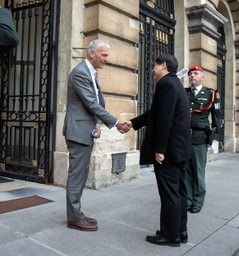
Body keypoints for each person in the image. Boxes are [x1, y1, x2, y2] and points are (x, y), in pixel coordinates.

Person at [62, 39, 129, 231]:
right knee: (77, 176)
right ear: (91, 53)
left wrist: (97, 123)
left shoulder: (90, 72)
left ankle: (76, 212)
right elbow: (92, 103)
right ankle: (74, 218)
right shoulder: (80, 73)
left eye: (107, 55)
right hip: (77, 133)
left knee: (81, 175)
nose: (106, 59)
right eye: (104, 54)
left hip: (84, 131)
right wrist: (116, 122)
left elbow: (91, 104)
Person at [127, 54, 191, 247]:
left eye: (154, 66)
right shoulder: (174, 84)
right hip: (179, 151)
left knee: (169, 195)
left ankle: (170, 236)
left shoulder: (167, 85)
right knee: (178, 192)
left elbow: (165, 120)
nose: (152, 70)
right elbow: (155, 113)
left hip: (169, 152)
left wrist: (159, 149)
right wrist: (132, 123)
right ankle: (179, 231)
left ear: (163, 66)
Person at [185, 65, 220, 214]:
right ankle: (187, 199)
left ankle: (198, 201)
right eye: (191, 74)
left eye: (196, 74)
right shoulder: (184, 93)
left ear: (202, 77)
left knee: (198, 169)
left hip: (200, 136)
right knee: (186, 170)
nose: (193, 76)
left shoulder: (211, 94)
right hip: (185, 136)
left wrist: (215, 137)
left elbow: (217, 117)